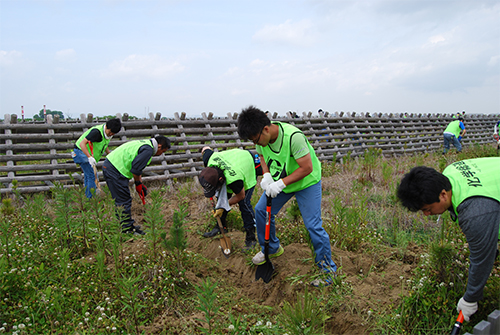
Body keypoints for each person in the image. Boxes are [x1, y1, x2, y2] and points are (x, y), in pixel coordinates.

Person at [237, 105, 337, 286]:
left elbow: (307, 168)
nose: (256, 144)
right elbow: (262, 157)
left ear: (266, 129)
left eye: (256, 140)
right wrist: (266, 176)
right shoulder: (261, 139)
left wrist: (281, 183)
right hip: (279, 180)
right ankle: (271, 248)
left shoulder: (293, 137)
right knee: (260, 210)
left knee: (313, 225)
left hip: (307, 182)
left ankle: (327, 270)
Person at [397, 157, 500, 322]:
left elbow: (481, 258)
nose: (426, 215)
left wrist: (470, 298)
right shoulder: (450, 172)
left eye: (427, 209)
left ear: (443, 195)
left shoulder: (476, 212)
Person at [102, 136, 171, 235]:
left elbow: (138, 168)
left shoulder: (145, 144)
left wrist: (140, 183)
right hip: (114, 169)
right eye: (163, 151)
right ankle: (126, 229)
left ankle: (127, 225)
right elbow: (136, 169)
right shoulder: (148, 150)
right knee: (123, 199)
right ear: (159, 146)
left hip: (112, 166)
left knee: (122, 198)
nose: (161, 154)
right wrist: (138, 184)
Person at [198, 146, 262, 250]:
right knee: (221, 197)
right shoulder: (209, 159)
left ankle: (251, 238)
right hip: (233, 160)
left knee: (244, 204)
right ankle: (220, 227)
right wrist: (221, 204)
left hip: (247, 162)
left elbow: (240, 196)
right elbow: (205, 148)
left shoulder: (234, 179)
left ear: (220, 179)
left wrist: (223, 206)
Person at [72, 118, 122, 198]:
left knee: (88, 175)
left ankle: (88, 196)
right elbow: (82, 144)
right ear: (107, 127)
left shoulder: (107, 135)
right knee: (93, 176)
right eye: (110, 132)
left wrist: (109, 154)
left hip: (86, 154)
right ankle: (91, 199)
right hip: (80, 153)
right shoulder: (96, 132)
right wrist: (89, 157)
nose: (111, 134)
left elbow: (104, 144)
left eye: (113, 133)